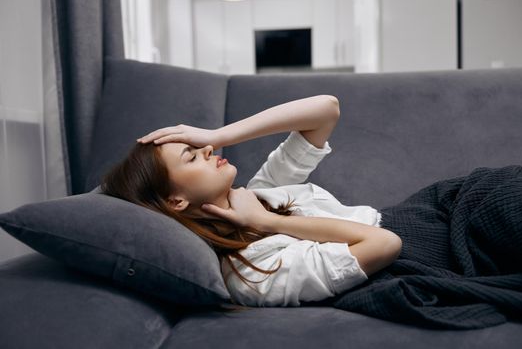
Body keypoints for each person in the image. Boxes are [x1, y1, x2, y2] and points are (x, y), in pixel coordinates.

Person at [100, 94, 402, 309]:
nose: (207, 149)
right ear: (176, 201)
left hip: (424, 213)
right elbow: (385, 244)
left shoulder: (258, 192)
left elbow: (326, 109)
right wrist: (269, 222)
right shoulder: (249, 271)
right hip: (414, 248)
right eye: (191, 156)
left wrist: (220, 134)